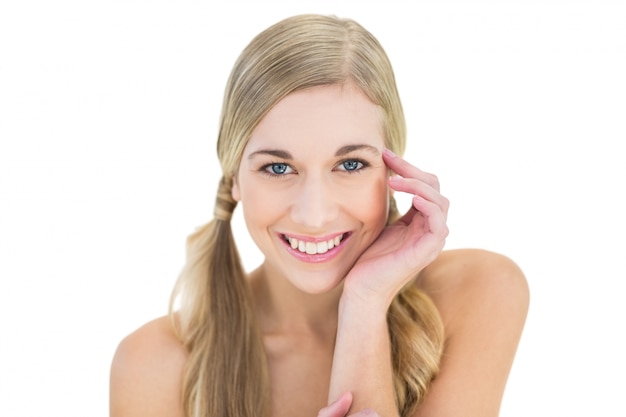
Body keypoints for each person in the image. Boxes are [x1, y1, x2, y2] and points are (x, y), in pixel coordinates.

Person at [109, 14, 529, 417]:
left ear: (394, 169)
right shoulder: (155, 366)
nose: (314, 216)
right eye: (277, 168)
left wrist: (365, 305)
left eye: (349, 165)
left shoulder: (480, 290)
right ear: (235, 177)